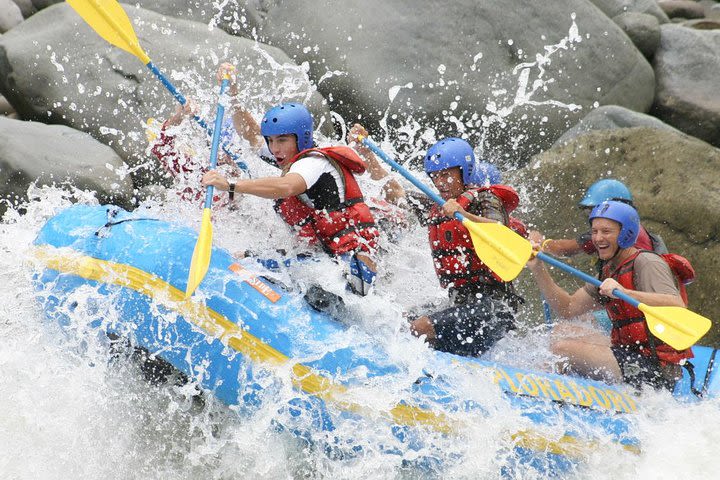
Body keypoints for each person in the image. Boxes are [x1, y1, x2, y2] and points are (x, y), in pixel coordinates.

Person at [202, 93, 380, 296]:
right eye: (270, 140)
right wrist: (233, 95)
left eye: (281, 140)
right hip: (322, 256)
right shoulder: (288, 154)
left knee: (311, 290)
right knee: (244, 257)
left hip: (351, 266)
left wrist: (230, 184)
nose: (274, 148)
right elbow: (250, 134)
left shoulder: (313, 163)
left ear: (301, 138)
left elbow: (286, 186)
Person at [527, 200, 695, 390]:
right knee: (562, 330)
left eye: (606, 232)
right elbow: (568, 308)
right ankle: (541, 382)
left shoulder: (647, 262)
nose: (598, 238)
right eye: (595, 231)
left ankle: (535, 393)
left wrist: (625, 292)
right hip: (630, 352)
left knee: (562, 349)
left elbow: (677, 305)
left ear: (626, 234)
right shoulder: (609, 269)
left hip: (656, 367)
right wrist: (538, 269)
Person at [401, 138, 522, 357]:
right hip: (460, 302)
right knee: (401, 319)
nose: (440, 183)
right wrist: (367, 153)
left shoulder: (486, 198)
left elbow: (500, 231)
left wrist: (463, 214)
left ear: (464, 173)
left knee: (421, 327)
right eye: (435, 176)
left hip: (494, 308)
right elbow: (396, 194)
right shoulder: (438, 206)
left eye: (446, 175)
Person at [530, 179, 667, 257]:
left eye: (596, 209)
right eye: (591, 211)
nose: (593, 216)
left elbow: (564, 249)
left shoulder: (612, 235)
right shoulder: (633, 229)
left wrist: (541, 242)